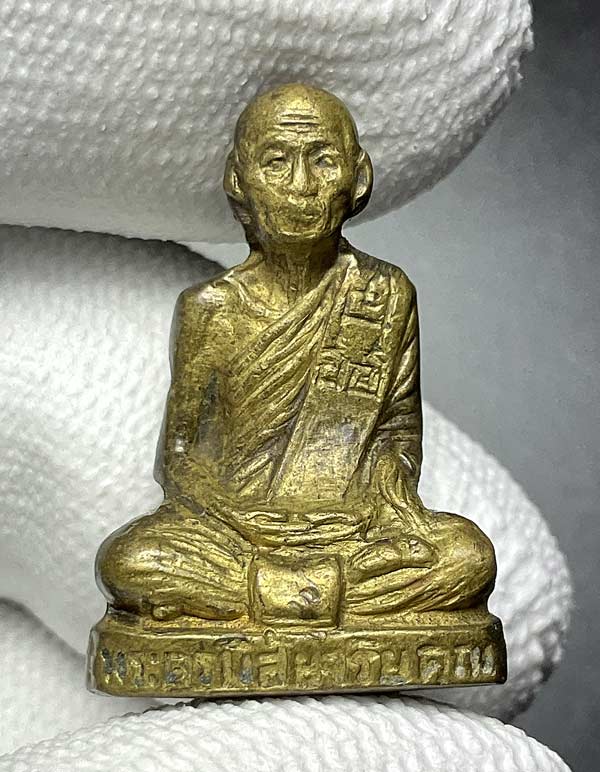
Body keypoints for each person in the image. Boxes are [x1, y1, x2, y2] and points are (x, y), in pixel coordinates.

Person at [97, 83, 496, 625]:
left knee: (467, 556)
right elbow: (181, 454)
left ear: (359, 177)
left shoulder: (383, 294)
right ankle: (314, 598)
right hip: (236, 533)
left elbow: (397, 435)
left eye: (323, 161)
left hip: (351, 532)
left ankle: (269, 599)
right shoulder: (210, 308)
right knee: (129, 561)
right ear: (239, 180)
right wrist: (240, 522)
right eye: (276, 163)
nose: (302, 186)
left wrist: (379, 504)